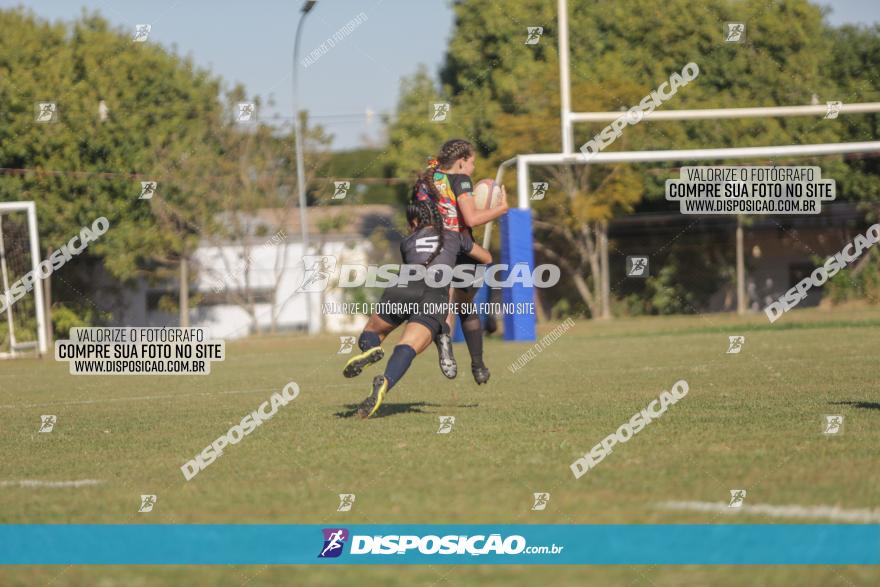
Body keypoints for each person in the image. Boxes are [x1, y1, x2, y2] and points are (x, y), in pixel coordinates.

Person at [342, 199, 492, 419]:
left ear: (414, 221)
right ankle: (385, 382)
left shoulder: (408, 241)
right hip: (435, 295)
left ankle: (370, 350)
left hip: (405, 285)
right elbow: (487, 258)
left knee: (372, 333)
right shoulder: (454, 237)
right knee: (407, 348)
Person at [413, 139, 509, 384]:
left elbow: (415, 218)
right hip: (462, 246)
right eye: (472, 162)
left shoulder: (426, 179)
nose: (473, 168)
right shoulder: (461, 180)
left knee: (444, 300)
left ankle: (445, 345)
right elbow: (473, 218)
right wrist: (501, 209)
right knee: (466, 306)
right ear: (461, 161)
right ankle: (478, 364)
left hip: (432, 248)